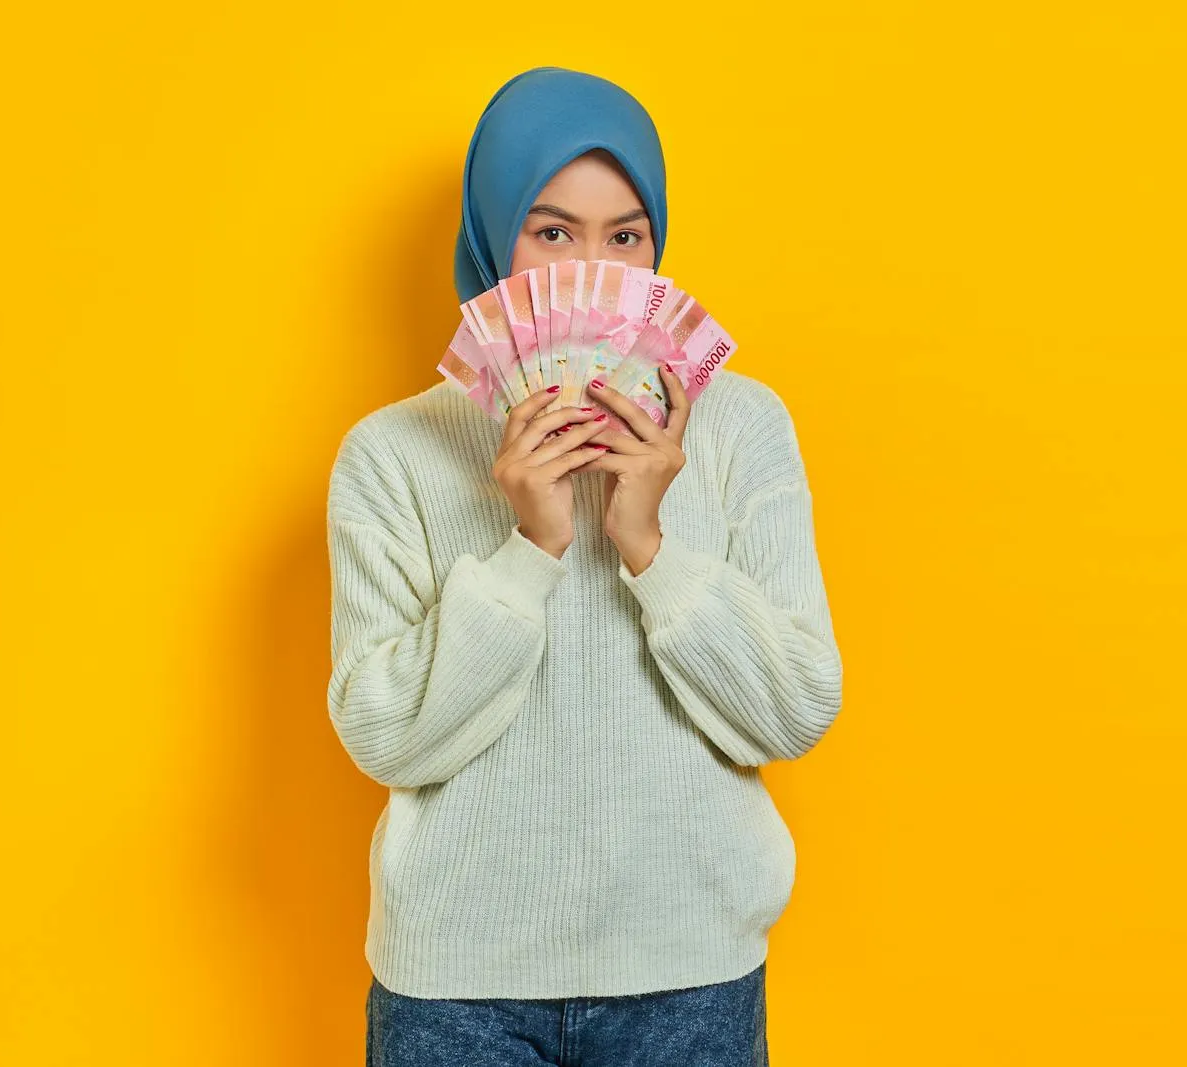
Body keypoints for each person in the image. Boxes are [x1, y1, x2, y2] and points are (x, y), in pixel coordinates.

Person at [326, 66, 844, 1066]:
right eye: (552, 231)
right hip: (456, 995)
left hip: (690, 976)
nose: (591, 268)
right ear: (491, 236)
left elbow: (796, 706)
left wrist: (648, 540)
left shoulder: (742, 427)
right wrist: (529, 548)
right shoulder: (393, 452)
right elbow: (385, 736)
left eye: (625, 235)